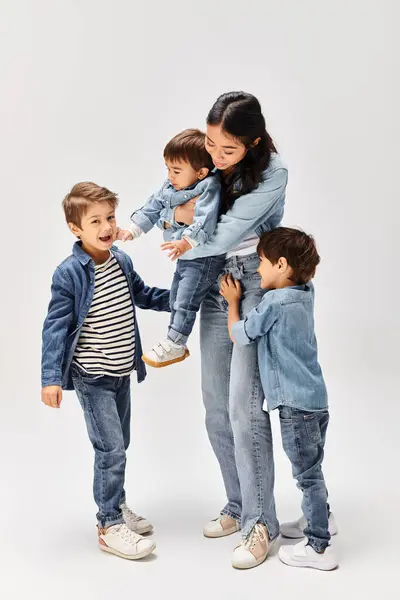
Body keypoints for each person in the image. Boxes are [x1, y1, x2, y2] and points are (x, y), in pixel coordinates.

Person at [162, 91, 288, 569]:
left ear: (253, 142)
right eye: (211, 146)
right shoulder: (211, 162)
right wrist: (177, 214)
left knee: (243, 407)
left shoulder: (274, 172)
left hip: (254, 286)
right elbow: (167, 207)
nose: (213, 159)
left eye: (227, 151)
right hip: (217, 283)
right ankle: (238, 505)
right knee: (215, 405)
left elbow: (224, 233)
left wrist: (180, 217)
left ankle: (263, 522)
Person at [41, 182, 170, 560]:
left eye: (110, 217)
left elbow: (143, 295)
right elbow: (55, 328)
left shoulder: (121, 261)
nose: (107, 226)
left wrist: (179, 299)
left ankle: (117, 502)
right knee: (110, 448)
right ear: (75, 229)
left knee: (120, 446)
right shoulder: (69, 274)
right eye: (95, 220)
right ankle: (109, 523)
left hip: (121, 373)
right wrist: (50, 378)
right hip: (92, 377)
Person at [219, 227, 339, 571]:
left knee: (308, 476)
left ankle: (318, 547)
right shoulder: (305, 293)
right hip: (316, 401)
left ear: (282, 265)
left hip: (294, 407)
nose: (257, 270)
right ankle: (321, 520)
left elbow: (241, 335)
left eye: (262, 262)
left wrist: (232, 303)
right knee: (314, 467)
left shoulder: (273, 302)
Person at [117, 129, 225, 368]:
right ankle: (174, 340)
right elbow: (153, 205)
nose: (170, 176)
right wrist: (132, 230)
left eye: (176, 171)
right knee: (176, 295)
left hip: (204, 257)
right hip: (186, 257)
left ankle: (176, 341)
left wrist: (185, 242)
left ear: (201, 172)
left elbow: (204, 221)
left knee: (186, 298)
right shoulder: (170, 186)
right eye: (167, 169)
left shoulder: (209, 188)